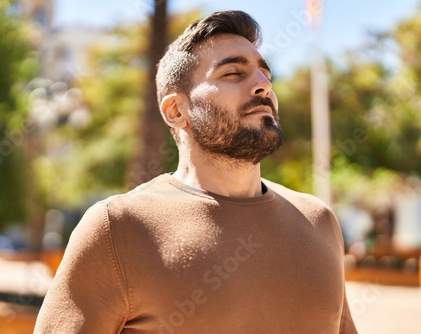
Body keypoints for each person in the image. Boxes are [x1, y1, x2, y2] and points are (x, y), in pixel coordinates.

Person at [34, 10, 357, 333]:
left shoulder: (319, 221)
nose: (262, 86)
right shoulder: (117, 228)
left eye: (265, 75)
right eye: (233, 73)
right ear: (176, 110)